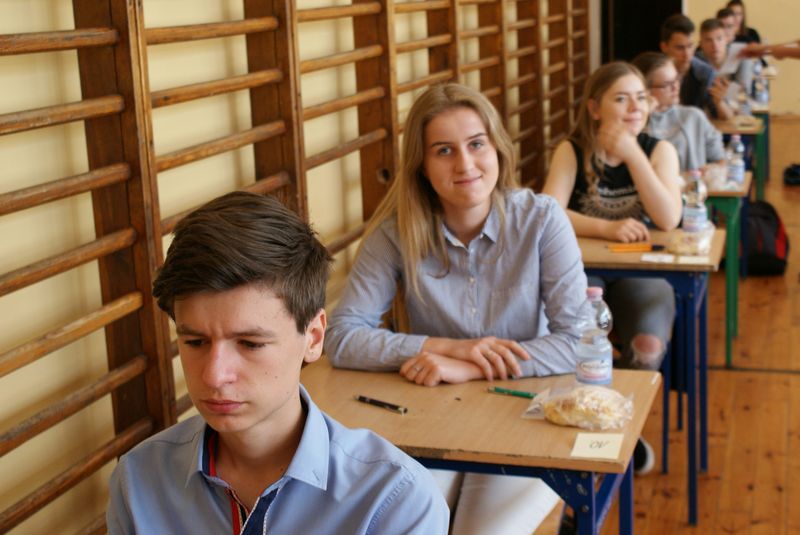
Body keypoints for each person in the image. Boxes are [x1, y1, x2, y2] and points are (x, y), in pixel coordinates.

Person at [325, 83, 589, 533]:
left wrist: (468, 367)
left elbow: (580, 341)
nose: (465, 164)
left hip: (528, 413)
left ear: (498, 149)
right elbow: (342, 336)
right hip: (432, 416)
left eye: (476, 144)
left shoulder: (543, 219)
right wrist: (446, 348)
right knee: (403, 524)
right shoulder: (394, 234)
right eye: (444, 150)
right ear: (422, 167)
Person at [106, 192, 449, 534]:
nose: (214, 375)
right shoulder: (137, 480)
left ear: (313, 337)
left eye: (250, 344)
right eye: (195, 342)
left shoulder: (394, 500)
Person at [542, 62, 683, 476]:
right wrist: (607, 227)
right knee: (575, 344)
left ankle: (618, 420)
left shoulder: (659, 150)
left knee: (648, 346)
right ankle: (594, 426)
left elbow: (669, 217)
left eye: (641, 98)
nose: (634, 107)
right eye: (621, 99)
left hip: (642, 271)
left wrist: (632, 154)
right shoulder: (571, 150)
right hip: (585, 272)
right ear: (594, 108)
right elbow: (550, 212)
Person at [632, 52, 725, 172]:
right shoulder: (635, 125)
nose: (676, 87)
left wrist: (711, 170)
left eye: (677, 79)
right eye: (666, 84)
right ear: (645, 90)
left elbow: (720, 160)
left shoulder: (694, 116)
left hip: (693, 183)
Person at [659, 14, 719, 114]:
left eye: (690, 46)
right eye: (680, 48)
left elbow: (715, 114)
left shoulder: (706, 73)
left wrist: (720, 102)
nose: (687, 54)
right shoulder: (654, 74)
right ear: (664, 47)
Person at [695, 18, 752, 119]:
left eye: (719, 38)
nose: (715, 45)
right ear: (701, 44)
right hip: (707, 116)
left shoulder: (741, 55)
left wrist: (719, 93)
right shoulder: (696, 60)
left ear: (726, 39)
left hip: (739, 115)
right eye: (708, 40)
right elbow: (698, 98)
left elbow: (742, 93)